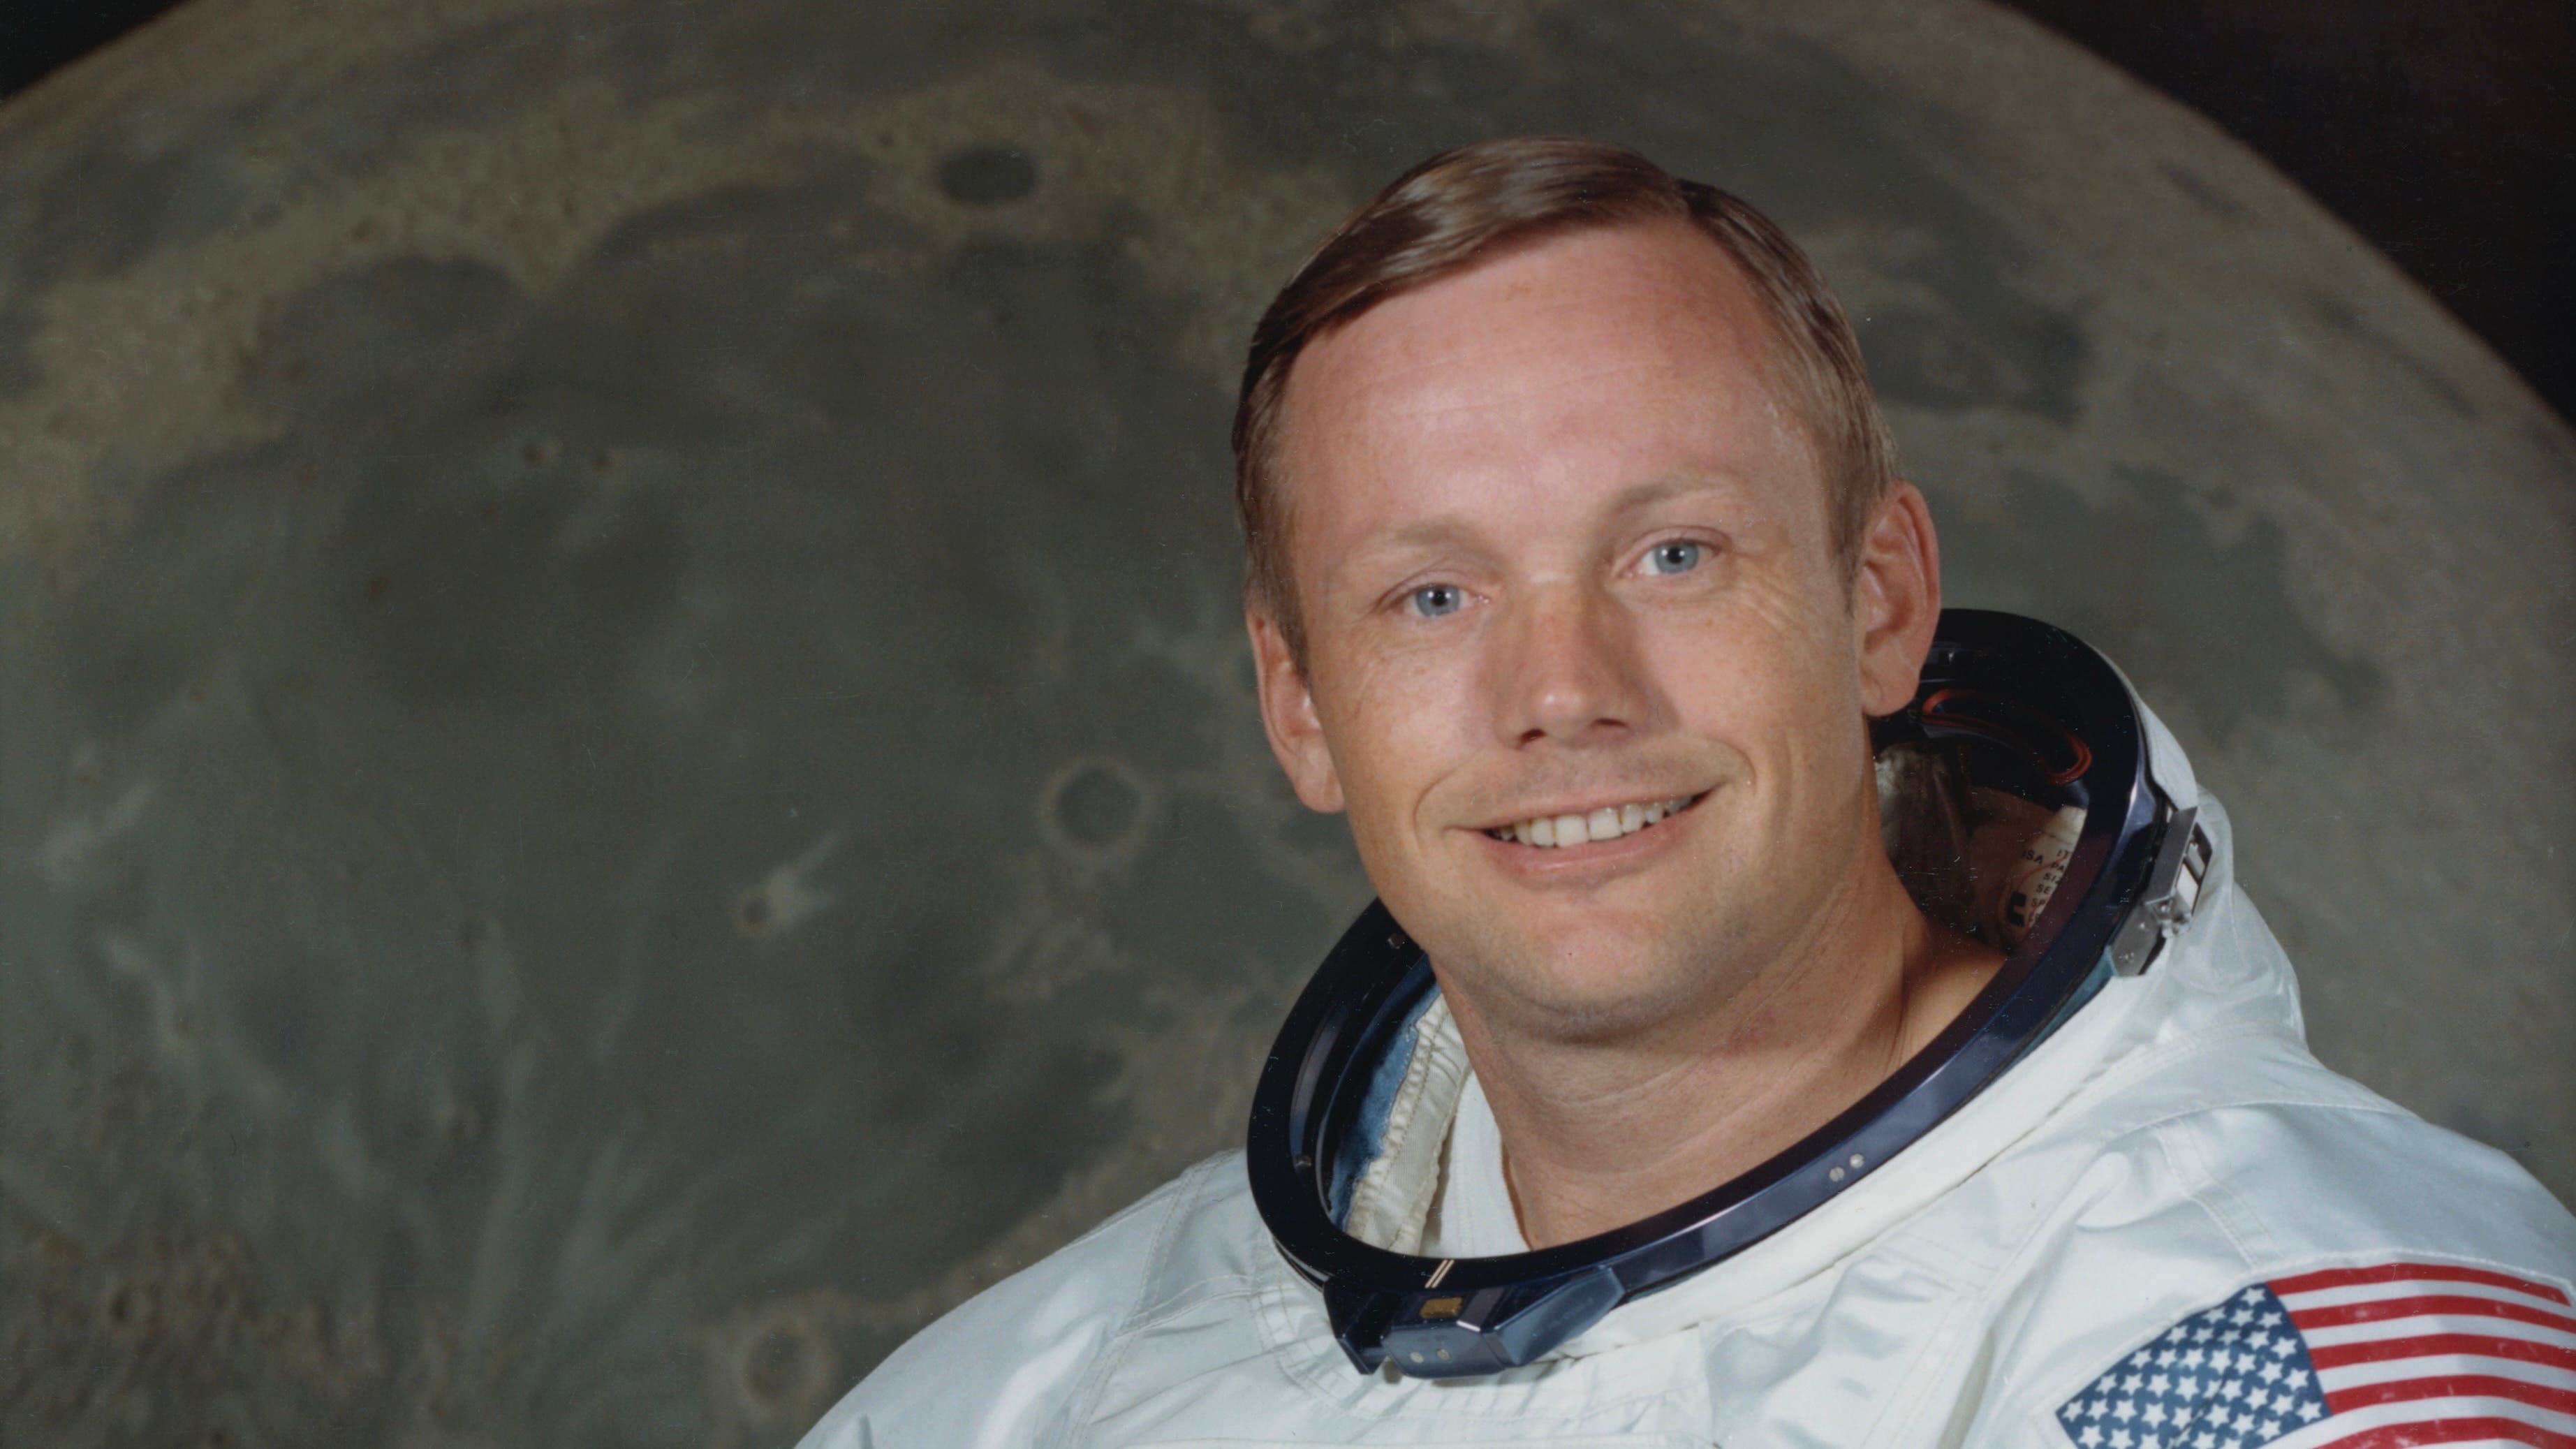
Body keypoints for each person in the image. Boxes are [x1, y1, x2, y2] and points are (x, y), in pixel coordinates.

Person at [801, 138, 2575, 1446]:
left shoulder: (2283, 1353)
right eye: (1435, 596)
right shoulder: (1046, 1397)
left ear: (1877, 601)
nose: (1563, 693)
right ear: (1301, 707)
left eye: (1670, 554)